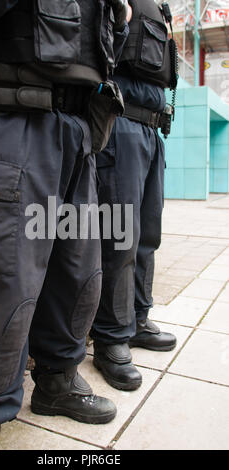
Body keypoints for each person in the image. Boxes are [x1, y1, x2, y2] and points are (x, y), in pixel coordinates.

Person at [0, 0, 130, 450]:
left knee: (78, 274)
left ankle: (56, 382)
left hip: (80, 131)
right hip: (13, 120)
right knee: (1, 283)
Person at [89, 0, 177, 391]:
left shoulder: (159, 7)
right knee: (119, 241)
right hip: (120, 125)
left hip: (151, 131)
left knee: (147, 237)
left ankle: (137, 318)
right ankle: (110, 337)